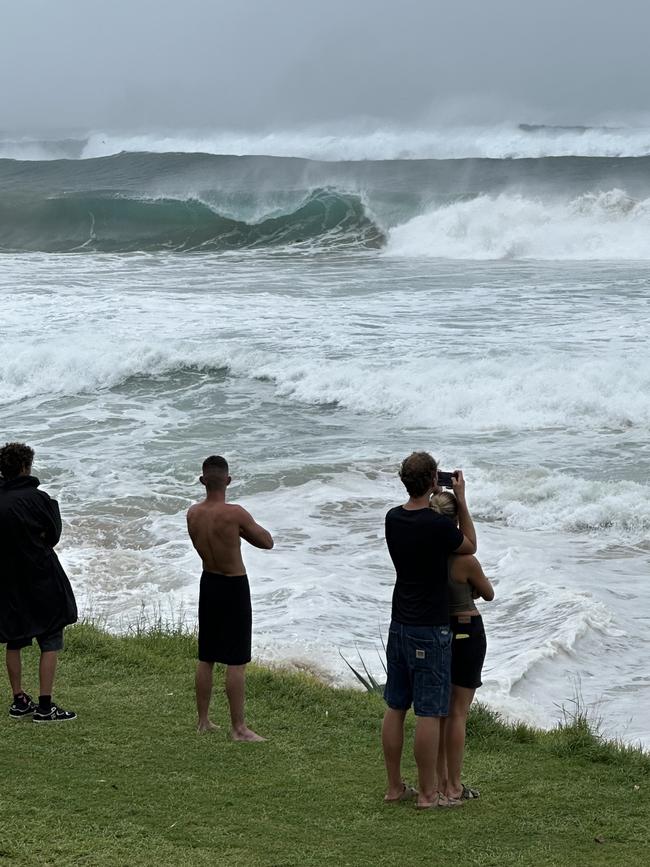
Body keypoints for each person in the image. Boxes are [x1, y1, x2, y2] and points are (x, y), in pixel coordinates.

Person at [382, 452, 477, 809]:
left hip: (400, 622)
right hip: (430, 625)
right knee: (430, 711)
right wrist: (462, 500)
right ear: (433, 481)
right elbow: (469, 544)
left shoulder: (393, 518)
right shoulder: (437, 526)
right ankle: (427, 794)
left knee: (395, 705)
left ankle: (394, 786)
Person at [186, 455, 274, 740]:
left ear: (202, 481)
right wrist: (241, 531)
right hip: (234, 585)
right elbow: (267, 542)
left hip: (208, 582)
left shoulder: (193, 514)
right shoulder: (234, 513)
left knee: (207, 655)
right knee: (236, 659)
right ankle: (238, 728)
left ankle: (203, 721)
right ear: (228, 480)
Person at [0, 442, 78, 722]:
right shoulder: (40, 499)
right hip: (42, 576)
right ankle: (45, 706)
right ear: (24, 467)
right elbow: (53, 535)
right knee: (51, 639)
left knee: (14, 640)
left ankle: (19, 699)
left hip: (8, 579)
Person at [430, 490, 494, 801]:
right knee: (458, 713)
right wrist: (462, 498)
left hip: (440, 631)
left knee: (441, 712)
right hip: (468, 632)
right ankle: (454, 785)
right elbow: (488, 593)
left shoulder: (427, 555)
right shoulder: (466, 560)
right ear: (456, 521)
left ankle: (441, 781)